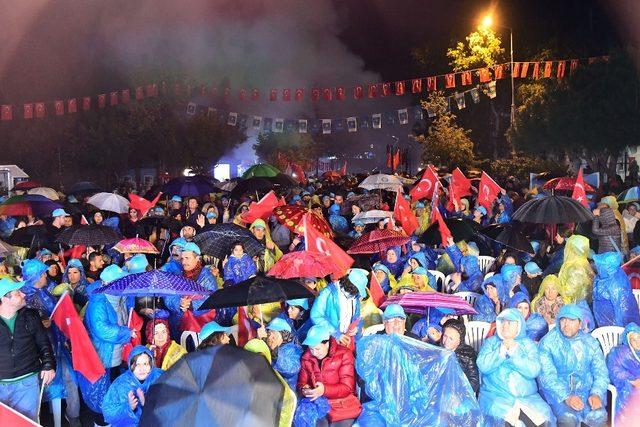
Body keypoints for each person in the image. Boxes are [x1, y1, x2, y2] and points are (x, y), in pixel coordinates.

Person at [476, 308, 554, 426]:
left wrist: (514, 352)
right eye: (503, 322)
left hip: (527, 397)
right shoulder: (491, 342)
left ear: (519, 325)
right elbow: (482, 365)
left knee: (543, 418)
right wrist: (500, 351)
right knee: (501, 421)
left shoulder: (528, 344)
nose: (505, 326)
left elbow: (534, 370)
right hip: (496, 396)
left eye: (510, 323)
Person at [538, 304, 609, 427]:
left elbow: (601, 372)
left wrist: (596, 393)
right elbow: (547, 377)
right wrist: (566, 396)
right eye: (563, 320)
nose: (566, 325)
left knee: (598, 415)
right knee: (568, 418)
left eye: (571, 320)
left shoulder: (590, 343)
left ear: (580, 323)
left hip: (587, 390)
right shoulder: (548, 343)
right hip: (558, 393)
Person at [0, 277, 56, 421]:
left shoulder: (30, 315)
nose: (24, 294)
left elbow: (43, 342)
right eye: (18, 292)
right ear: (5, 298)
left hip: (28, 381)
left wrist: (49, 365)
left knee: (28, 421)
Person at [297, 325, 361, 426]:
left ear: (326, 343)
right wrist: (304, 389)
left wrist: (324, 390)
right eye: (311, 349)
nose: (314, 353)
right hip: (319, 405)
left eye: (317, 349)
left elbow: (347, 387)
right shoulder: (306, 358)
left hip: (342, 405)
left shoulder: (344, 354)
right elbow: (302, 382)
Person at [101, 346, 163, 427]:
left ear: (151, 365)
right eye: (137, 364)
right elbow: (108, 413)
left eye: (145, 364)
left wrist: (147, 404)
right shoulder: (121, 385)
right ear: (131, 366)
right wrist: (128, 408)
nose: (142, 369)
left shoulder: (158, 376)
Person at [310, 269, 367, 348]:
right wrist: (335, 334)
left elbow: (357, 316)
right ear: (350, 285)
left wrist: (357, 328)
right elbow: (316, 316)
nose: (357, 293)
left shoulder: (355, 296)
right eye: (357, 289)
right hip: (329, 342)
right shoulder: (327, 293)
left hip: (347, 341)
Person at [591, 251, 640, 327]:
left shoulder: (616, 283)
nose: (597, 266)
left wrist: (618, 328)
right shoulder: (601, 277)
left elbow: (621, 311)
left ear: (607, 267)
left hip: (616, 324)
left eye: (600, 265)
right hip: (602, 320)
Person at [606, 322, 640, 425]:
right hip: (628, 385)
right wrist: (632, 380)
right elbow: (614, 370)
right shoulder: (618, 353)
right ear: (628, 341)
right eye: (634, 340)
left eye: (639, 338)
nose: (638, 343)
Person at [440, 318, 479, 394]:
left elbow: (473, 381)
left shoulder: (468, 355)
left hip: (459, 393)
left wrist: (459, 392)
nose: (446, 341)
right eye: (445, 336)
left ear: (459, 341)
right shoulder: (437, 350)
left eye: (451, 338)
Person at [265, 317, 302, 391]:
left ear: (284, 335)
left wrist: (275, 351)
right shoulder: (267, 346)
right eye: (269, 333)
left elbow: (291, 370)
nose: (270, 338)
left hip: (285, 390)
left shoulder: (294, 350)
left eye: (274, 335)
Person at [557, 235, 594, 304]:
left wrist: (556, 288)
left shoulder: (576, 268)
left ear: (573, 250)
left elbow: (569, 291)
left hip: (573, 306)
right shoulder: (581, 261)